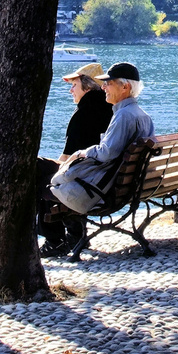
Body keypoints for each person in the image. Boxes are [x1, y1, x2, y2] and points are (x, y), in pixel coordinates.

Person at [49, 61, 155, 216]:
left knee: (43, 183)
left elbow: (107, 153)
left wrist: (82, 153)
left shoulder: (124, 116)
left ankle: (59, 238)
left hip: (102, 189)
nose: (103, 87)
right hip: (127, 185)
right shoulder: (143, 116)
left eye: (108, 83)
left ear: (125, 87)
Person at [37, 62, 112, 257]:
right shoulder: (111, 109)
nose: (71, 90)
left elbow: (65, 161)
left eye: (74, 85)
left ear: (87, 87)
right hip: (106, 178)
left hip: (90, 182)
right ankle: (76, 235)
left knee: (39, 171)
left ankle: (54, 240)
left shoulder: (84, 114)